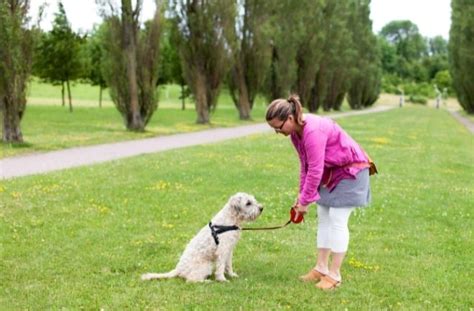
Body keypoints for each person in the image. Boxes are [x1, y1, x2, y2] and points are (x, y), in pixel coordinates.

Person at [265, 94, 375, 290]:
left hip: (352, 171)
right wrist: (301, 197)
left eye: (278, 127)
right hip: (332, 172)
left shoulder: (312, 130)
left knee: (337, 218)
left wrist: (305, 201)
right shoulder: (294, 134)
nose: (277, 132)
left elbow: (315, 170)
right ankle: (321, 268)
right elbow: (305, 166)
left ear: (289, 119)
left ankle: (335, 275)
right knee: (324, 216)